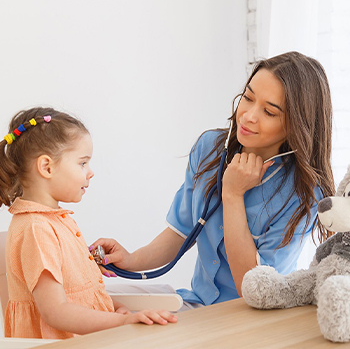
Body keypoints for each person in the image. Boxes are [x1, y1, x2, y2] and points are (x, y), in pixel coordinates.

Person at [90, 51, 335, 308]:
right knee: (102, 308)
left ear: (298, 124)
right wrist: (131, 260)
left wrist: (232, 194)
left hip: (255, 318)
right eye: (248, 98)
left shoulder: (303, 194)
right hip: (197, 305)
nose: (249, 115)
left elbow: (251, 287)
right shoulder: (210, 149)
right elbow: (181, 231)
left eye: (269, 112)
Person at [0, 107, 177, 339]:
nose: (90, 172)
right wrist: (121, 320)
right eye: (83, 163)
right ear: (47, 167)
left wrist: (112, 308)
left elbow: (78, 295)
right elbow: (56, 311)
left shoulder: (55, 221)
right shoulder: (36, 228)